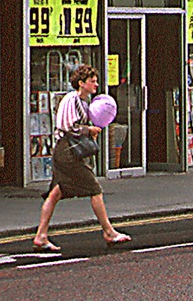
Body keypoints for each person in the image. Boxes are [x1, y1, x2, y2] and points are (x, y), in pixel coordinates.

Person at [31, 63, 130, 251]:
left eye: (96, 81)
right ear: (81, 83)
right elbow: (69, 126)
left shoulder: (84, 103)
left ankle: (41, 236)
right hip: (67, 151)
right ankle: (108, 231)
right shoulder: (71, 99)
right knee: (94, 188)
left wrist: (90, 132)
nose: (96, 85)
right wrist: (88, 129)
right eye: (92, 81)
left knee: (55, 193)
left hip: (68, 150)